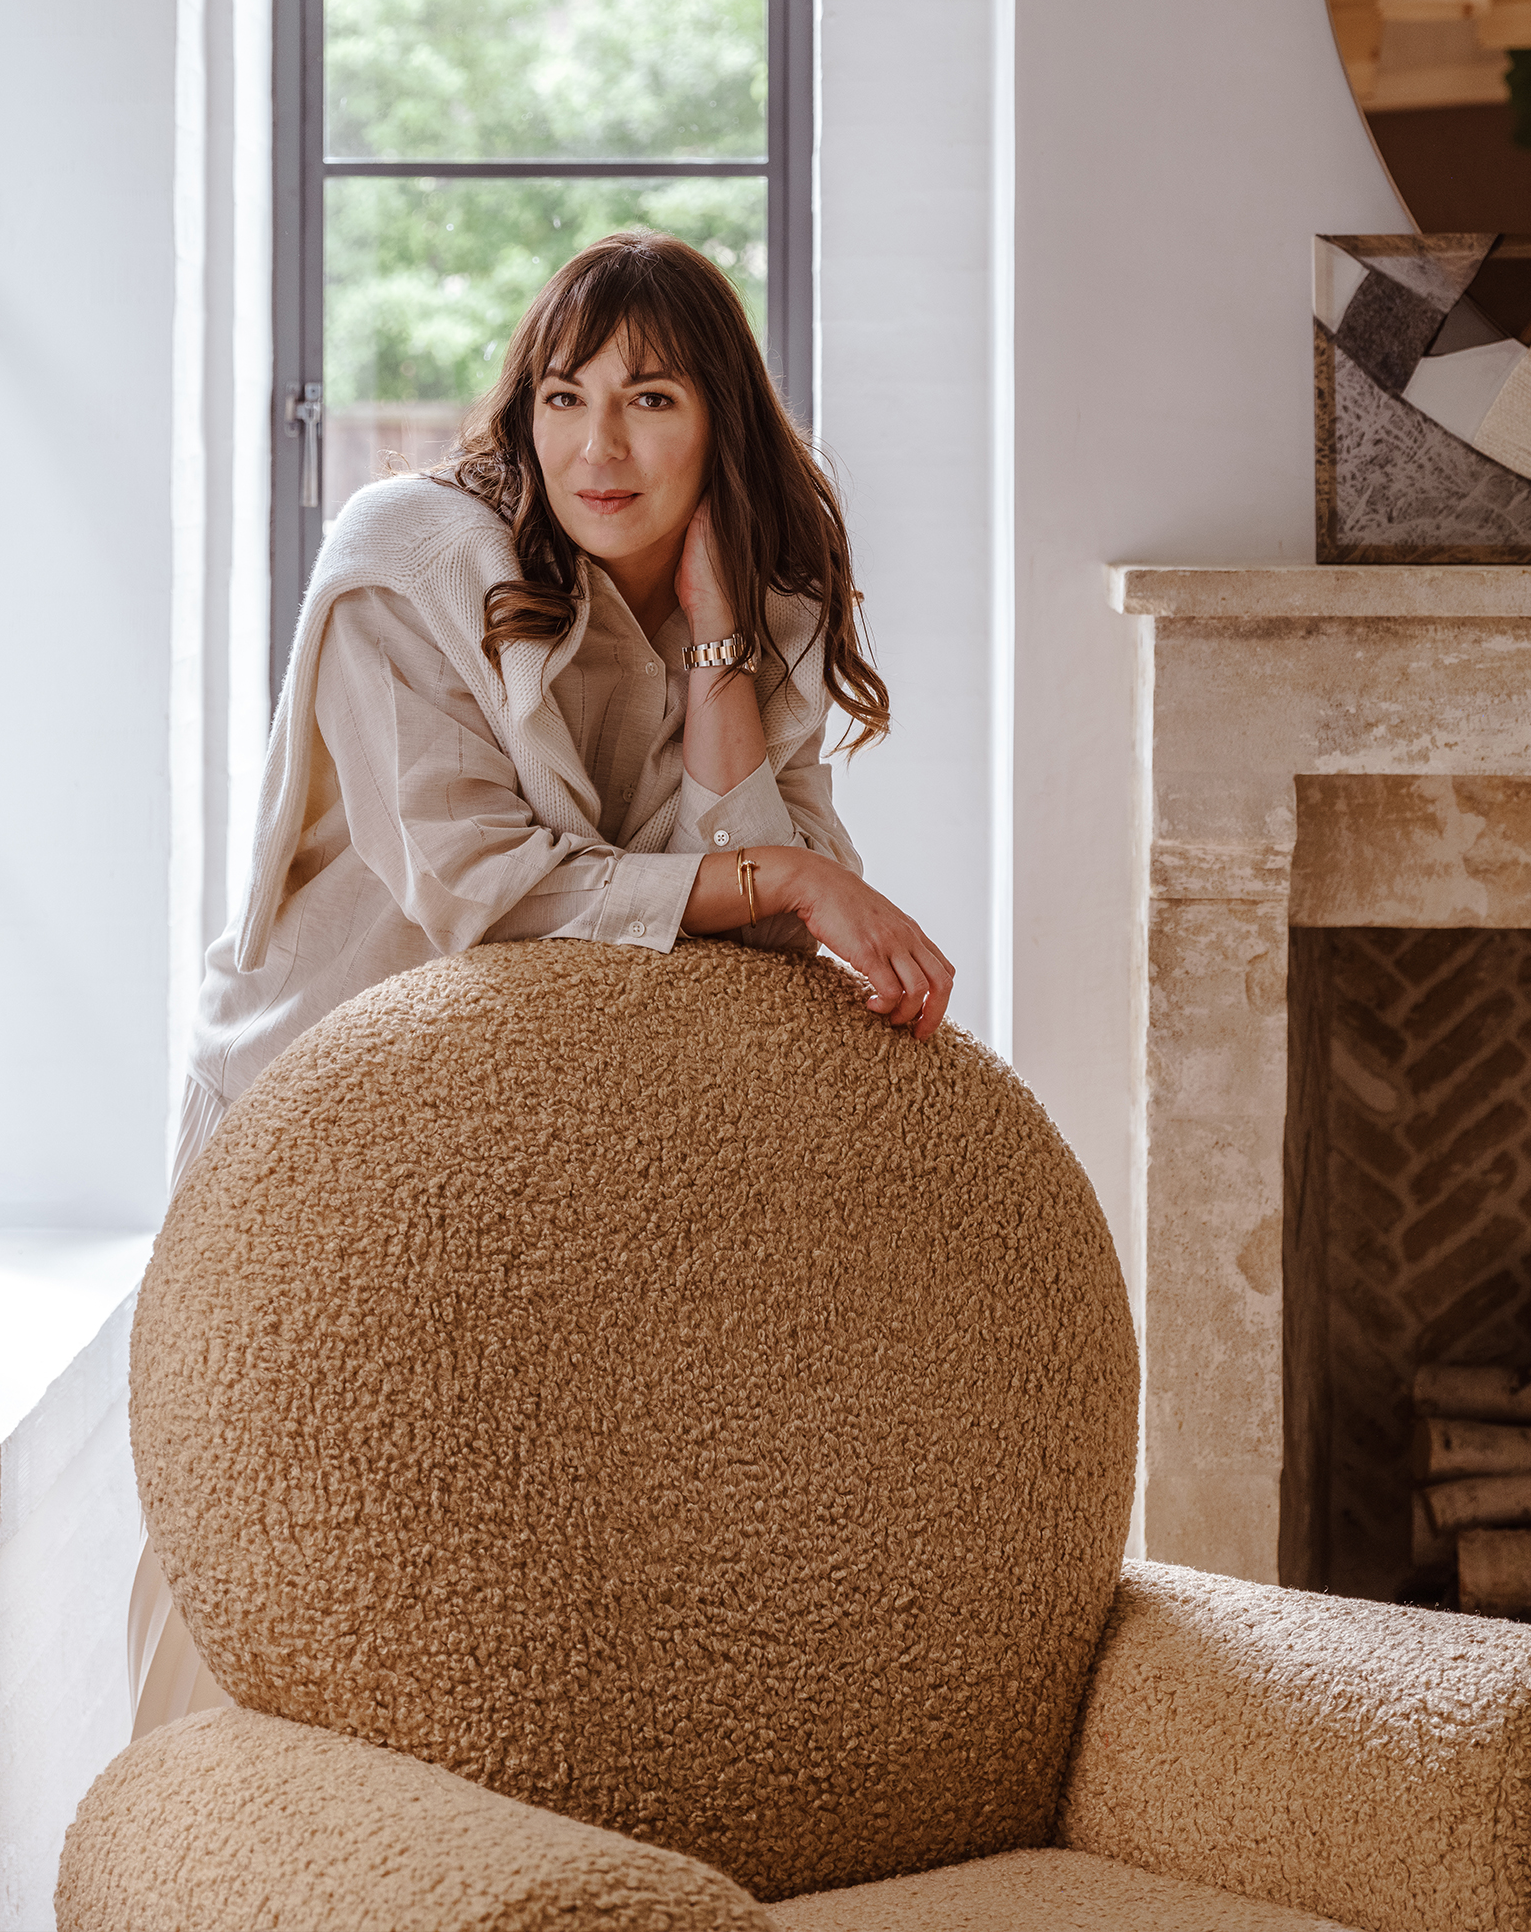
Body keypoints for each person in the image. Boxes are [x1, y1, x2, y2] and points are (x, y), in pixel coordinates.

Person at [128, 229, 953, 1733]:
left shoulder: (753, 607)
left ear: (724, 423)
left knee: (471, 1608)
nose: (598, 445)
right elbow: (482, 891)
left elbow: (765, 940)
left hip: (534, 1162)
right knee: (263, 1562)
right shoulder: (410, 567)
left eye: (651, 401)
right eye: (565, 398)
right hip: (324, 1119)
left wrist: (714, 669)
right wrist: (778, 873)